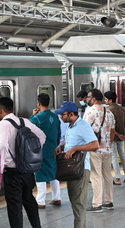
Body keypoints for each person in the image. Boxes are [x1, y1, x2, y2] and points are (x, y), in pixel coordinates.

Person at [0, 97, 46, 228]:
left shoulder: (3, 124)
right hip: (27, 170)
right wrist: (31, 154)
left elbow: (2, 145)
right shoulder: (24, 121)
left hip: (12, 172)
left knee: (15, 205)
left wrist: (2, 163)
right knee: (29, 200)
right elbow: (42, 136)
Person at [54, 101, 99, 228]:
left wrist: (74, 149)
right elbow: (72, 142)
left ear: (71, 114)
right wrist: (62, 147)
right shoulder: (71, 126)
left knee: (78, 203)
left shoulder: (83, 126)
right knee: (75, 202)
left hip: (80, 169)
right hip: (72, 168)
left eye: (63, 114)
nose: (61, 117)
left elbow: (94, 145)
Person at [83, 89, 116, 212]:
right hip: (107, 149)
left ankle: (97, 204)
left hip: (95, 149)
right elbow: (112, 131)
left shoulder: (89, 112)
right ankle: (109, 201)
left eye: (88, 97)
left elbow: (85, 130)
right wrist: (109, 143)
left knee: (96, 176)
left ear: (93, 99)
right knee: (107, 175)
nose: (87, 99)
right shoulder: (109, 112)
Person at [30, 93, 62, 208]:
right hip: (53, 148)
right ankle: (57, 197)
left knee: (40, 174)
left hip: (40, 149)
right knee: (53, 172)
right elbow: (59, 133)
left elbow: (29, 129)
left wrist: (32, 115)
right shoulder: (55, 117)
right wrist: (56, 145)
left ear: (38, 104)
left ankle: (40, 201)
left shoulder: (37, 118)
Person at [104, 91, 125, 185]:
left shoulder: (108, 110)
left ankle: (118, 178)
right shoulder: (121, 109)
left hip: (114, 136)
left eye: (106, 99)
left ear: (110, 100)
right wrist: (121, 134)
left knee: (114, 156)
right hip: (122, 135)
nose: (105, 100)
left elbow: (109, 126)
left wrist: (117, 134)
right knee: (123, 155)